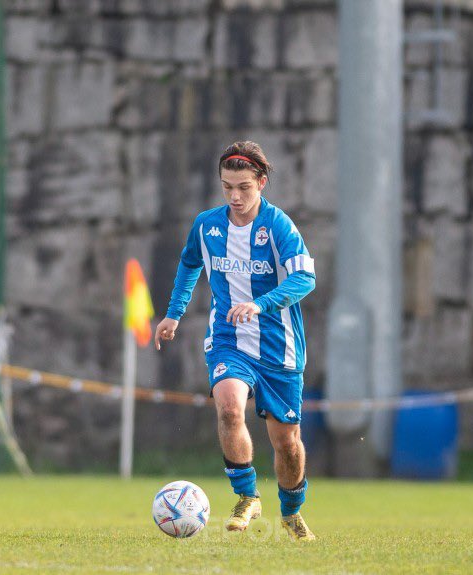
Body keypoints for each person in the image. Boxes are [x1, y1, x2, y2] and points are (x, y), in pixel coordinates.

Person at [155, 141, 317, 541]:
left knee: (287, 442)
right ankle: (247, 496)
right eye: (227, 187)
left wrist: (260, 305)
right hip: (228, 339)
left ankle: (291, 512)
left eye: (244, 187)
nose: (235, 196)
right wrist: (174, 313)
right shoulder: (208, 225)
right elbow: (190, 262)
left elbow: (305, 278)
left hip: (279, 346)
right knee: (229, 407)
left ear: (261, 183)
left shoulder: (278, 225)